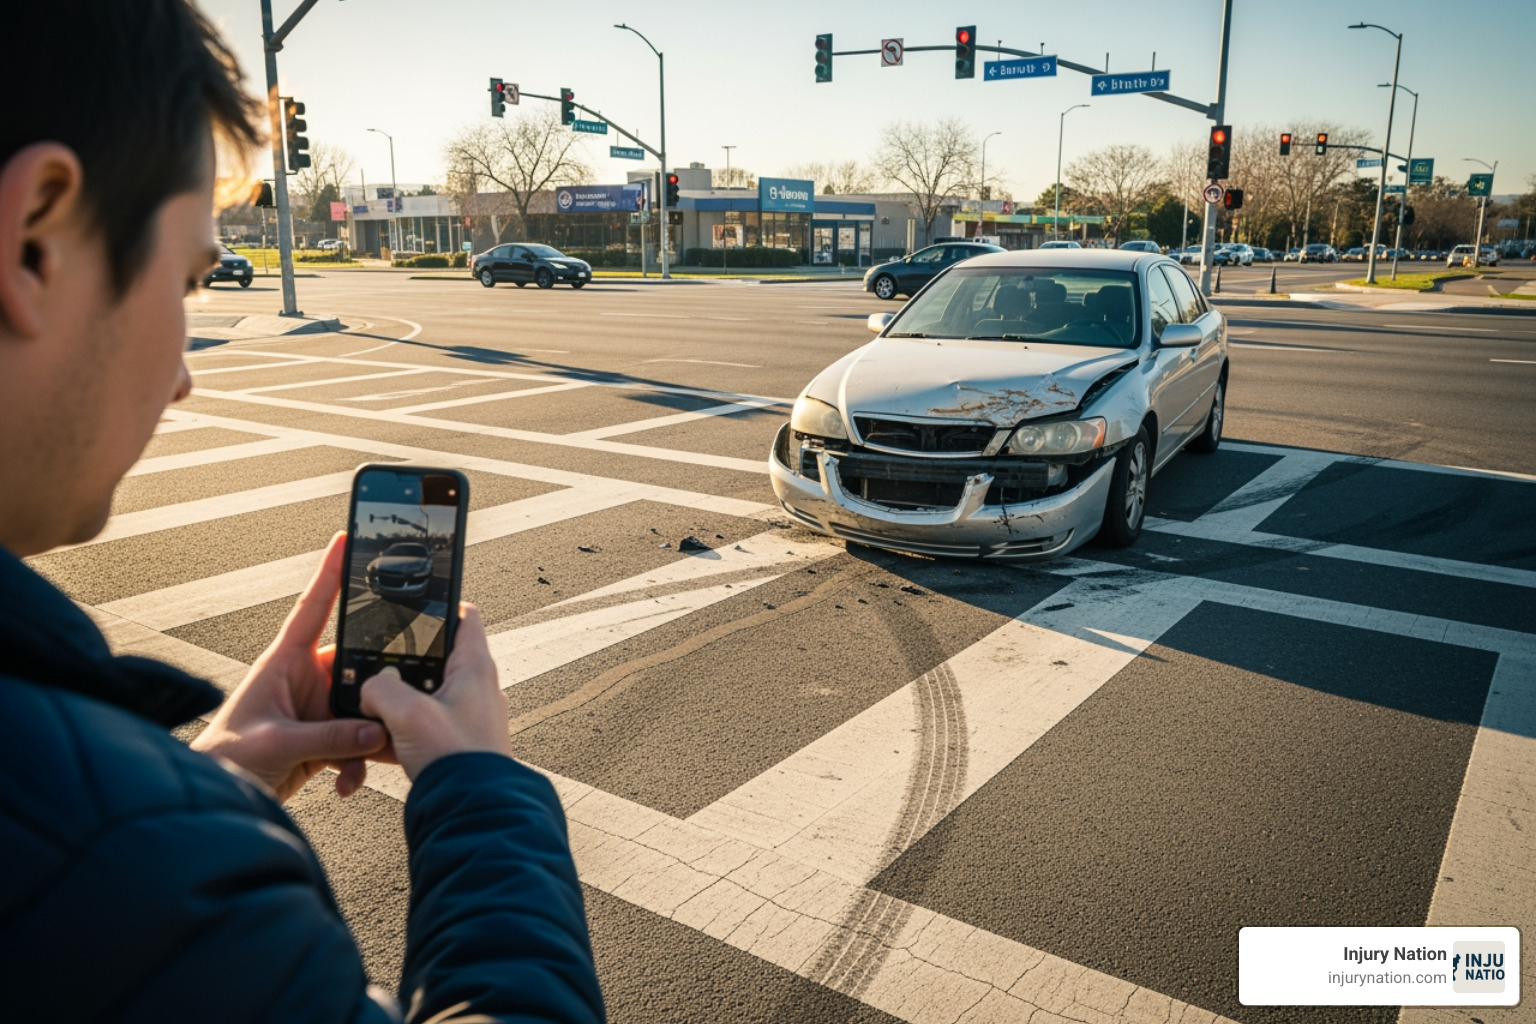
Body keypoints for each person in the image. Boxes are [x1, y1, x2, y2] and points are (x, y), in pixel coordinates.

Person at [0, 2, 605, 1021]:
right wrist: (486, 798)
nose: (183, 375)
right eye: (189, 281)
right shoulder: (148, 887)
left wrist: (208, 781)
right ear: (34, 240)